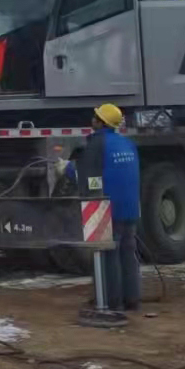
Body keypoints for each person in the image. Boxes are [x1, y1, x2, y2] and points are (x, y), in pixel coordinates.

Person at [60, 103, 142, 311]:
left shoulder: (97, 144)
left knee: (108, 255)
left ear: (101, 122)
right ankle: (132, 299)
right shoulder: (127, 143)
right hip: (130, 208)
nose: (92, 119)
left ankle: (112, 302)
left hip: (108, 208)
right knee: (128, 253)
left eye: (95, 117)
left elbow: (88, 178)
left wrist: (66, 169)